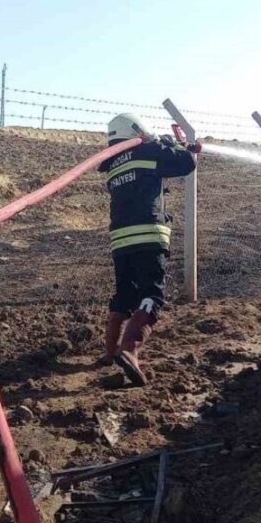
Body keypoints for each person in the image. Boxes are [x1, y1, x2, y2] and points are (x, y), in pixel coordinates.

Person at [98, 113, 200, 386]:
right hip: (148, 235)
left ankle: (109, 352)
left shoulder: (112, 162)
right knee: (152, 296)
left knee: (125, 294)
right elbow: (186, 164)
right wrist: (178, 145)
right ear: (138, 131)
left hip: (120, 240)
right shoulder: (148, 149)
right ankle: (129, 350)